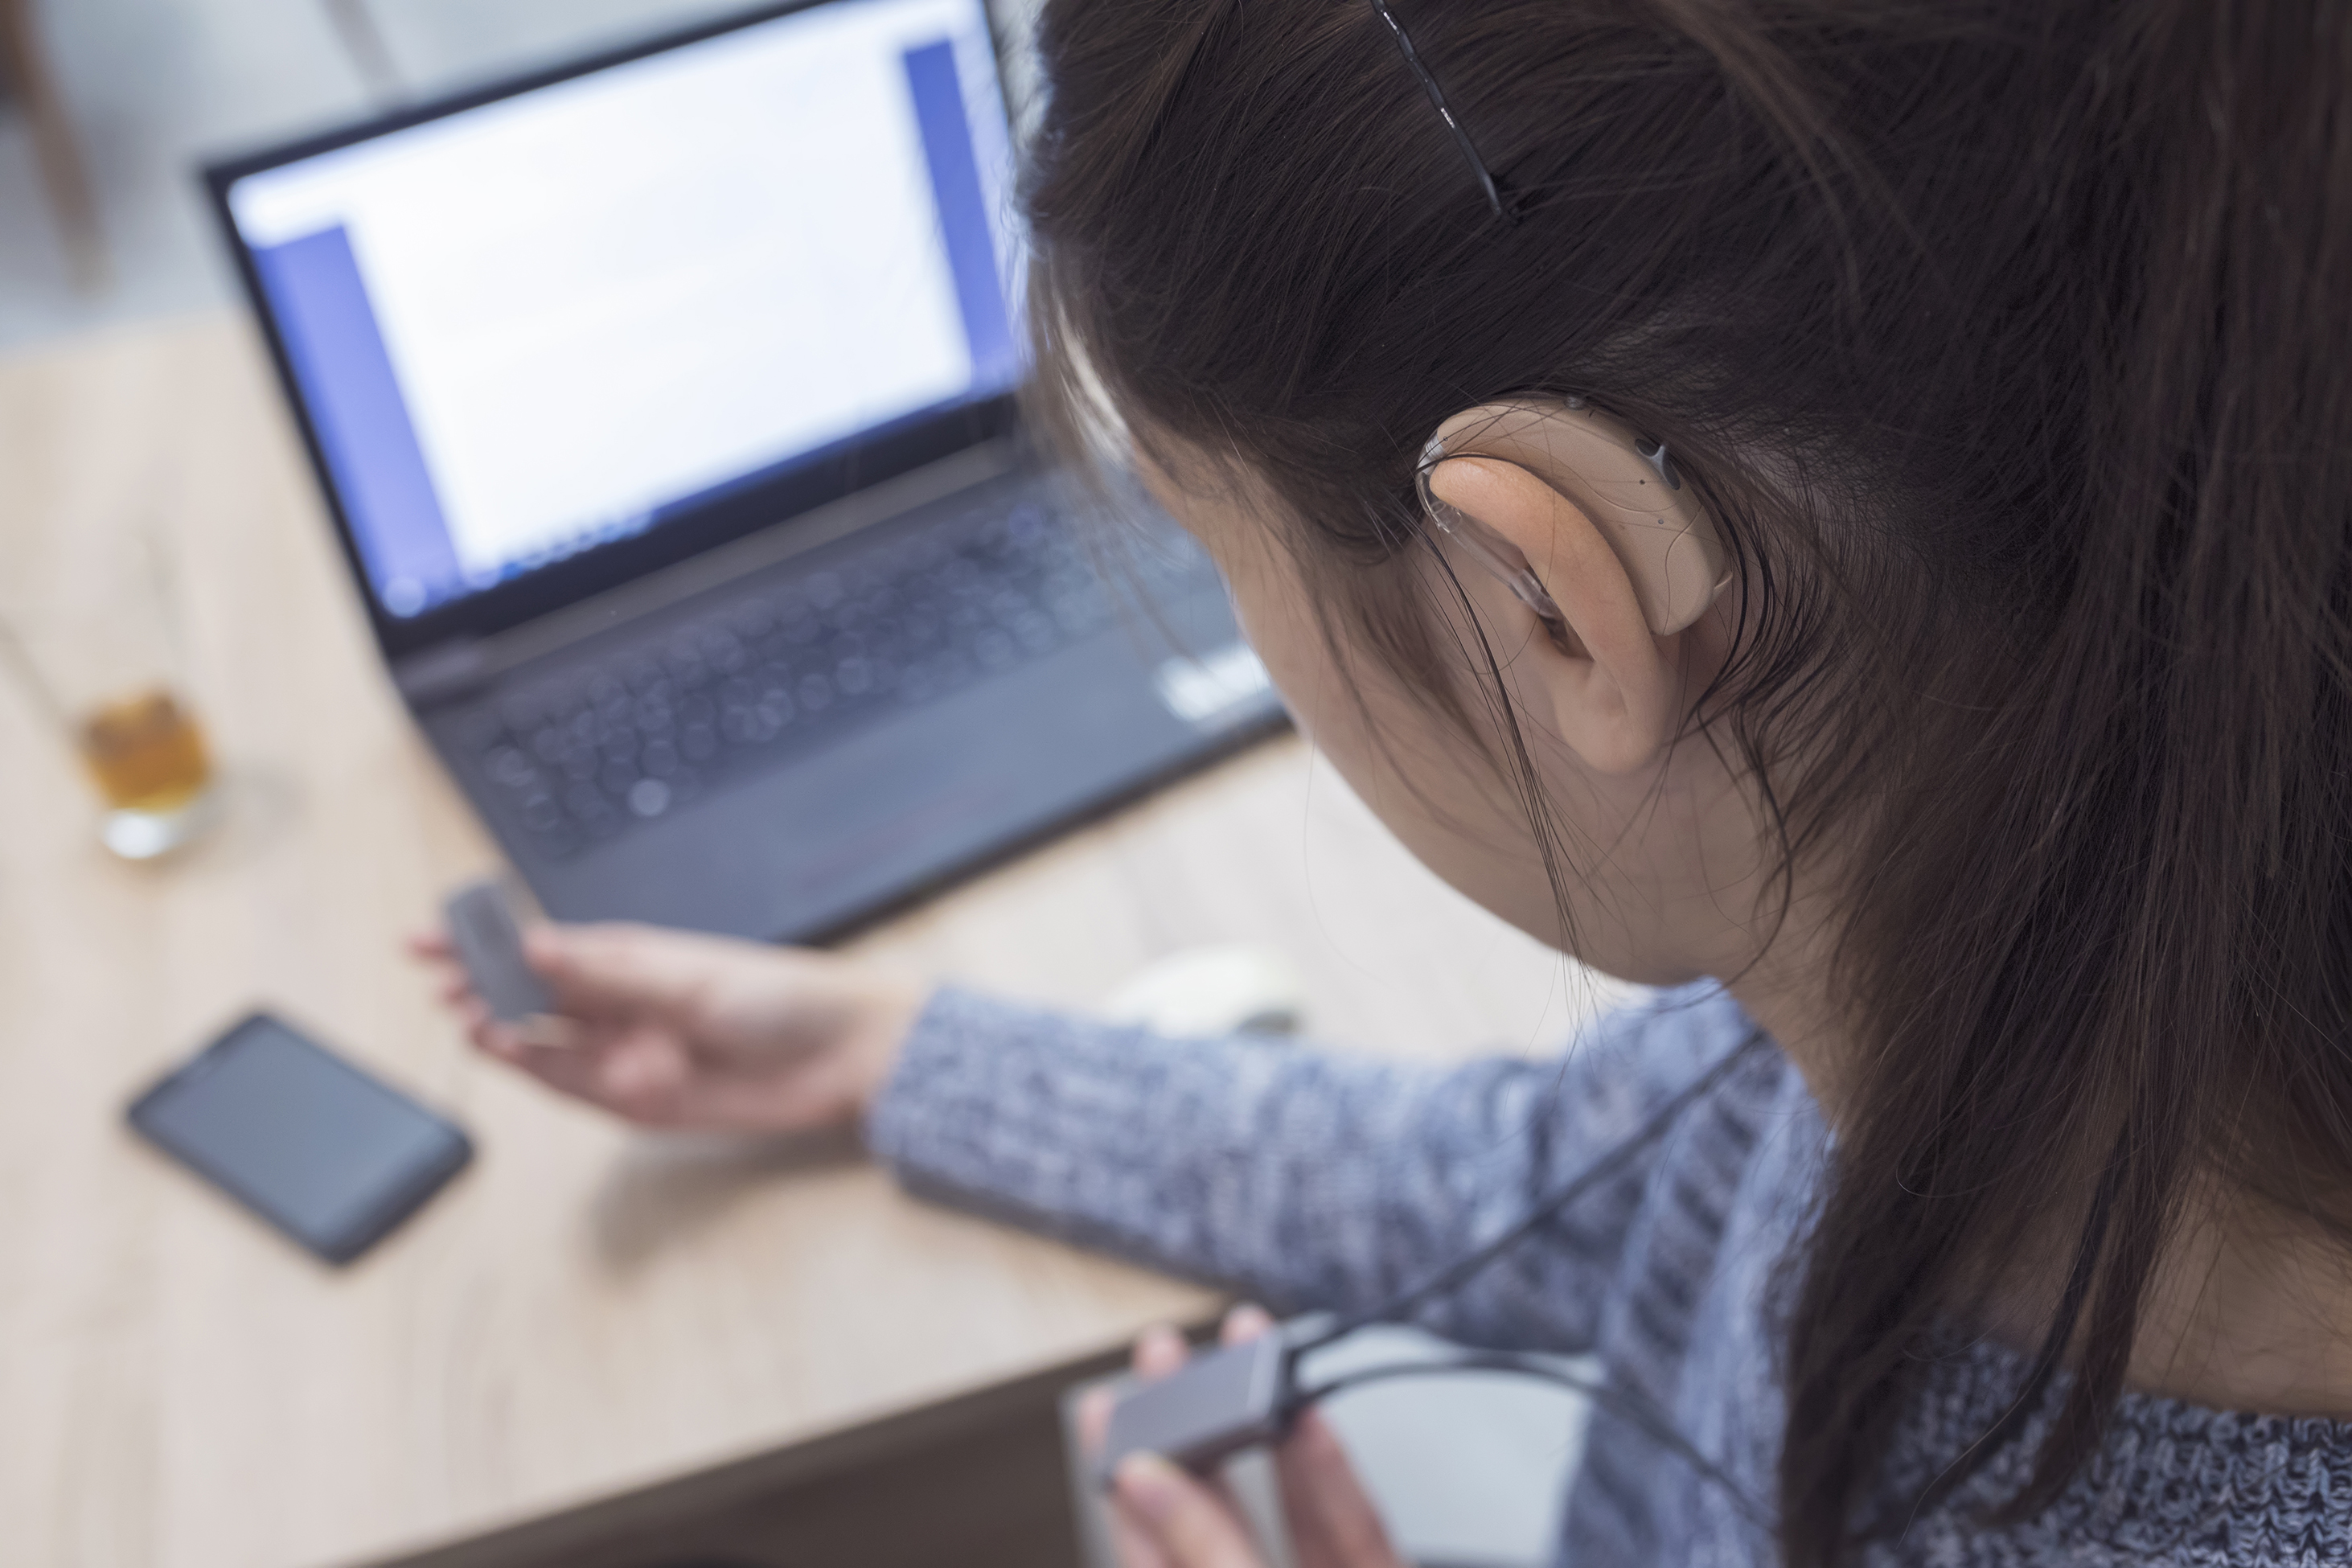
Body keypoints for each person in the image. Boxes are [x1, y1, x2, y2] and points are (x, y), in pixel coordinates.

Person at [416, 1, 2352, 1562]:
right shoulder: (1981, 881)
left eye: (1203, 538)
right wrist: (900, 1056)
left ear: (1554, 603)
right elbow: (1574, 1190)